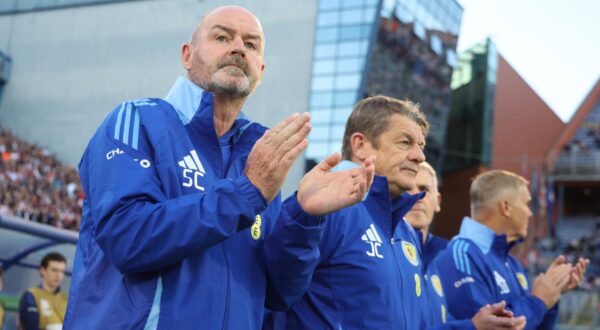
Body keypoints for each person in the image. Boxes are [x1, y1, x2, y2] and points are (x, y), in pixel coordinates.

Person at [63, 5, 374, 330]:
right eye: (222, 37)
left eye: (251, 45)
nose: (239, 48)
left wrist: (302, 219)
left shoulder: (259, 157)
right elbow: (127, 239)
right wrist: (246, 192)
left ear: (261, 71)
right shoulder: (137, 120)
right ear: (187, 55)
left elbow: (279, 294)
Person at [429, 170, 590, 329]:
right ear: (506, 206)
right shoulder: (460, 256)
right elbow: (488, 326)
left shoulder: (512, 263)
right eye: (526, 203)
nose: (530, 213)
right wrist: (538, 300)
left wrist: (552, 293)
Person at [405, 161, 447, 271]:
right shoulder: (378, 248)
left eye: (424, 190)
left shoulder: (452, 257)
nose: (417, 197)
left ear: (437, 201)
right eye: (408, 189)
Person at [18, 253, 67, 330]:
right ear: (43, 270)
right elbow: (30, 326)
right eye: (54, 270)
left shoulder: (66, 299)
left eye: (62, 271)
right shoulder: (31, 295)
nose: (58, 275)